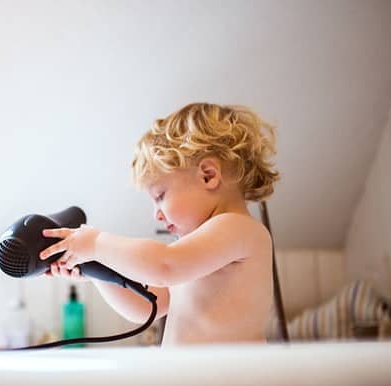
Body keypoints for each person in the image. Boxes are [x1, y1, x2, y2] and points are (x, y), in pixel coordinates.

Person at [40, 102, 280, 345]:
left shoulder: (238, 229)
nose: (157, 214)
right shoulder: (193, 253)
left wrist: (96, 243)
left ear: (208, 175)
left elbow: (164, 265)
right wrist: (97, 270)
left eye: (160, 196)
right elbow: (147, 307)